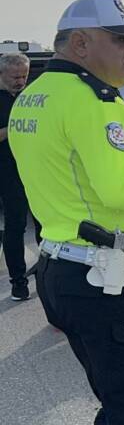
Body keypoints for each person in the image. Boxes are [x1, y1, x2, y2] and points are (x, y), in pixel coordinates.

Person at [9, 0, 124, 424]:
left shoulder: (34, 97)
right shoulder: (94, 103)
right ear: (80, 44)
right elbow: (121, 189)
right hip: (116, 283)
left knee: (119, 402)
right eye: (120, 39)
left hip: (70, 270)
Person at [0, 52, 41, 301]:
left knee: (45, 225)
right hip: (7, 173)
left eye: (24, 76)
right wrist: (14, 127)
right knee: (15, 226)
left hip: (36, 170)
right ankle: (18, 282)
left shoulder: (30, 97)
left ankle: (46, 275)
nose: (20, 81)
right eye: (15, 77)